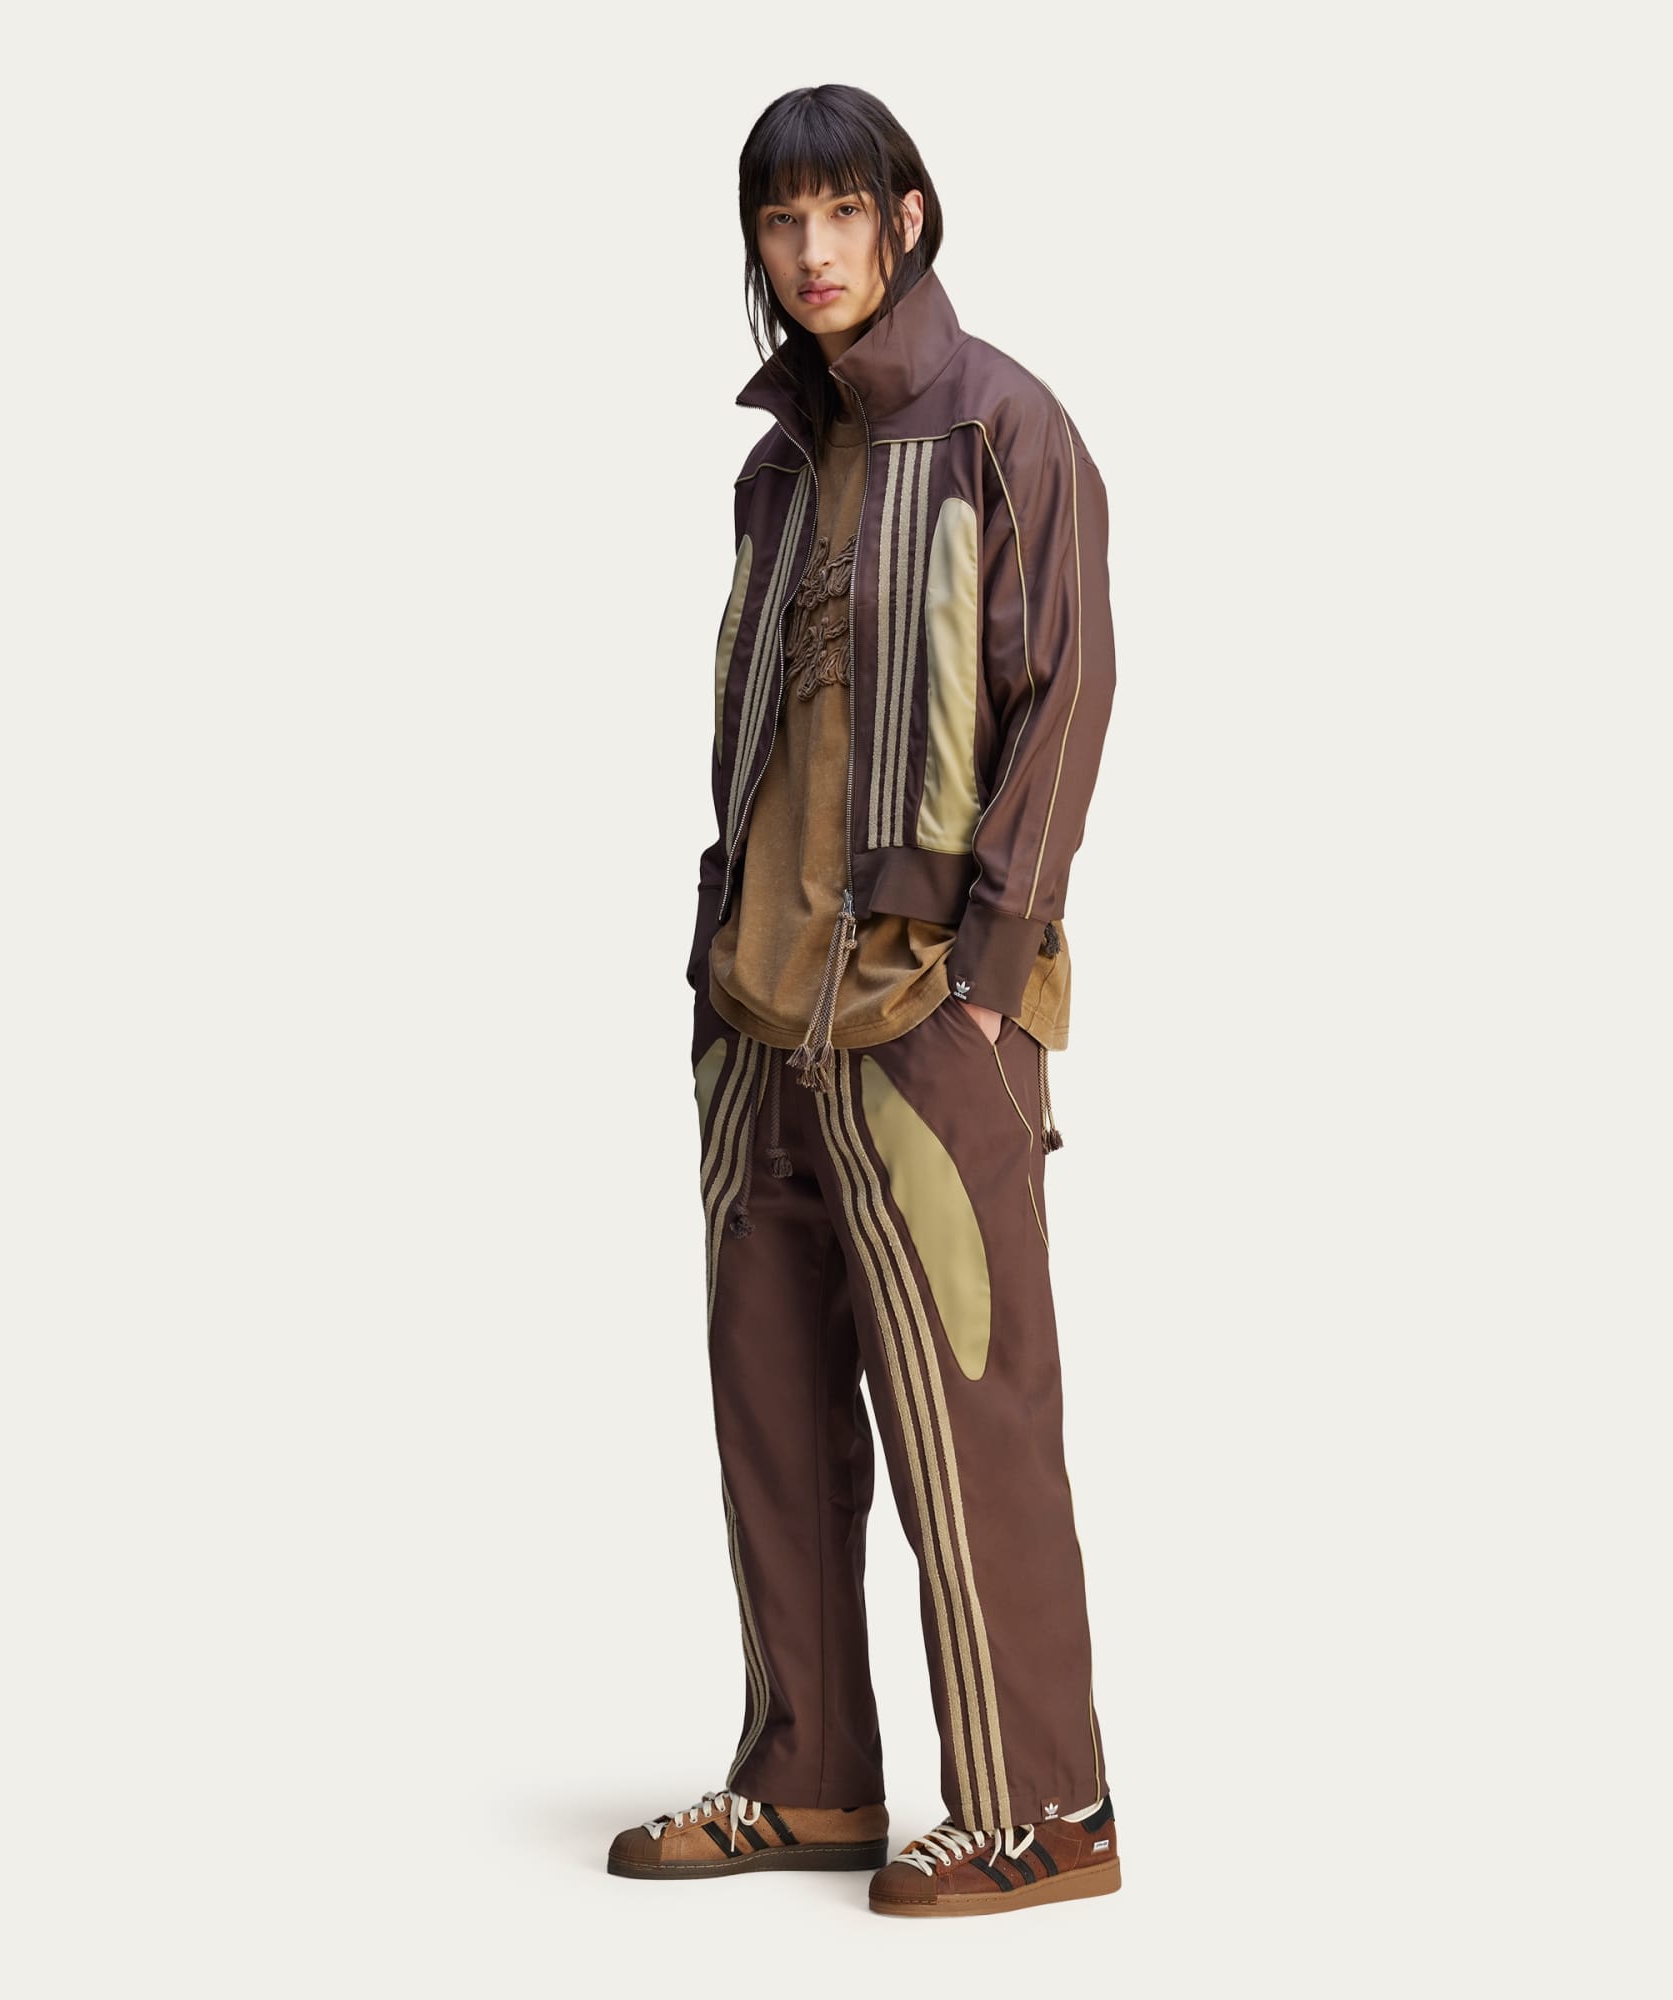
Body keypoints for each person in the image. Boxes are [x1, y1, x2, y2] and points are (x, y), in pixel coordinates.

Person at [607, 83, 1120, 1918]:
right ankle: (809, 1776)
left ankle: (1043, 1812)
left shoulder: (1003, 428)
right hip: (759, 1015)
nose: (812, 250)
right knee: (770, 1415)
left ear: (907, 217)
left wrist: (987, 986)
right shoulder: (778, 467)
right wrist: (715, 970)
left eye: (841, 212)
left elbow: (1067, 704)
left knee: (972, 1420)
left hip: (923, 1020)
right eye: (781, 221)